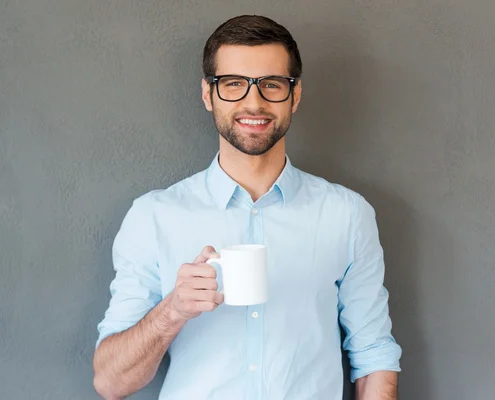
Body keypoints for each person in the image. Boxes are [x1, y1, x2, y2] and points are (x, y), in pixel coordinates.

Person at [92, 15, 401, 400]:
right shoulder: (153, 217)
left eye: (271, 84)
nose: (253, 102)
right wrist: (172, 310)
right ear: (208, 94)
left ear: (296, 95)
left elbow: (373, 356)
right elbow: (110, 382)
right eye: (233, 84)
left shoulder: (348, 215)